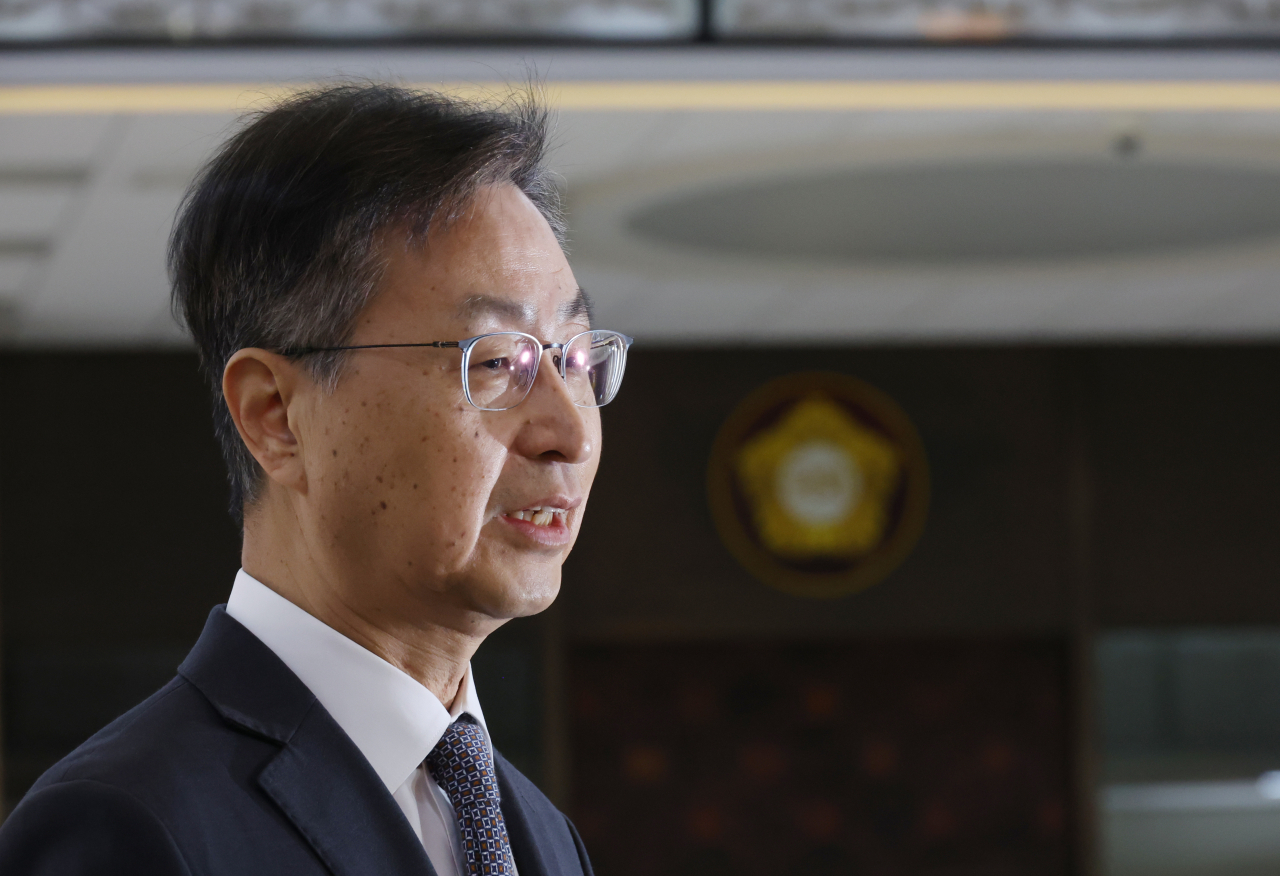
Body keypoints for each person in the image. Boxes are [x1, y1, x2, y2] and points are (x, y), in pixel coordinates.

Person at [0, 83, 630, 876]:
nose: (569, 433)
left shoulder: (537, 834)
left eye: (575, 358)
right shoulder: (129, 826)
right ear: (274, 414)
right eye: (499, 363)